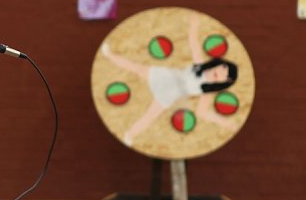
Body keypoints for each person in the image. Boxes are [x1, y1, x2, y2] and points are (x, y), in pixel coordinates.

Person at [101, 11, 239, 146]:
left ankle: (130, 135)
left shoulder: (207, 91)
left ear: (225, 82)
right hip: (166, 76)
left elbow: (202, 112)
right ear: (218, 64)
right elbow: (193, 41)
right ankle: (109, 55)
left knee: (150, 116)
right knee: (136, 67)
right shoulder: (200, 65)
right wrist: (194, 24)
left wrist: (224, 122)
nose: (220, 72)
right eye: (222, 67)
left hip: (169, 95)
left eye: (224, 75)